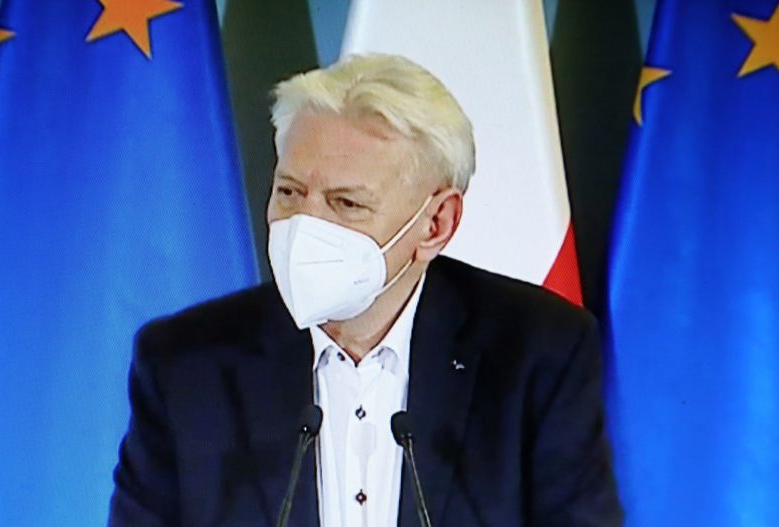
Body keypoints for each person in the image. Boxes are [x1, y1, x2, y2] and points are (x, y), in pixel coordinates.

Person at [108, 53, 622, 527]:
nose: (304, 224)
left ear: (436, 224)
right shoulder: (184, 363)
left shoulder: (538, 353)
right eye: (289, 192)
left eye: (346, 203)